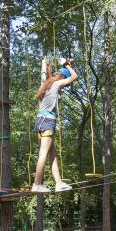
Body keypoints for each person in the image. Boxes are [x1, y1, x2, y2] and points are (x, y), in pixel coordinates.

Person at [32, 58, 78, 193]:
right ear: (63, 77)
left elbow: (51, 77)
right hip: (47, 121)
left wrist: (47, 66)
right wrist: (66, 64)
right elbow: (74, 76)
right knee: (43, 154)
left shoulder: (47, 84)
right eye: (65, 82)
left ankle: (58, 183)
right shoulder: (57, 83)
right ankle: (36, 184)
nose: (65, 86)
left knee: (52, 153)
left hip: (41, 121)